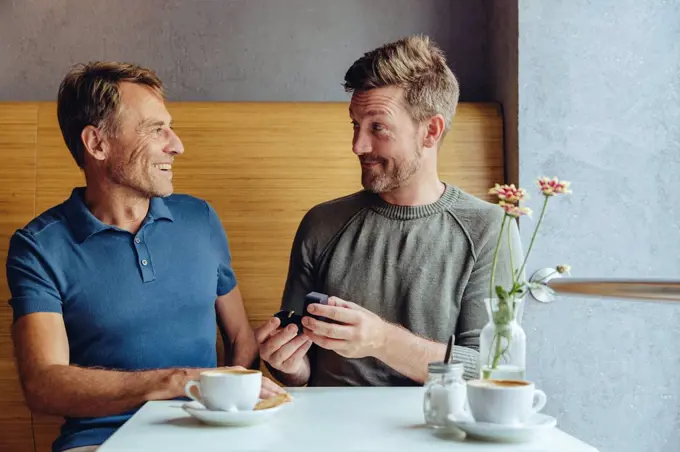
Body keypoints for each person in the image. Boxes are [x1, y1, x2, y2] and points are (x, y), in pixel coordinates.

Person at [6, 62, 283, 452]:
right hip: (102, 441)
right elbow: (43, 385)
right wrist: (176, 381)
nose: (176, 144)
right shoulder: (38, 247)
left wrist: (236, 403)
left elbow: (240, 337)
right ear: (97, 144)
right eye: (156, 130)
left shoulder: (200, 218)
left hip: (213, 435)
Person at [256, 35, 523, 387]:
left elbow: (493, 371)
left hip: (436, 430)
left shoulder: (490, 229)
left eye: (377, 127)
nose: (358, 145)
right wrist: (288, 364)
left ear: (431, 130)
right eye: (355, 125)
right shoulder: (321, 224)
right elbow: (302, 372)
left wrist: (381, 340)